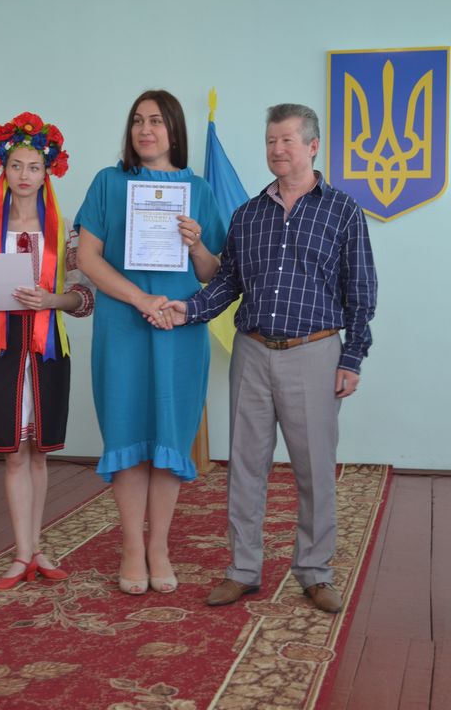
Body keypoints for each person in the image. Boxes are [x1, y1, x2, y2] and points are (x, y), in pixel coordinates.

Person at [156, 103, 378, 612]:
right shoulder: (248, 214)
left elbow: (361, 292)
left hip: (315, 352)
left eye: (287, 140)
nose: (277, 150)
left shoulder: (343, 210)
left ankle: (315, 572)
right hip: (252, 352)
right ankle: (242, 570)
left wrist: (353, 358)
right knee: (245, 467)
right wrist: (188, 310)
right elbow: (227, 283)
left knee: (314, 470)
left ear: (313, 146)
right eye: (271, 141)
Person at [75, 90, 226, 596]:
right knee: (126, 432)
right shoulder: (108, 181)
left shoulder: (198, 189)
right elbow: (88, 259)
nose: (145, 130)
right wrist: (141, 299)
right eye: (138, 120)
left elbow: (212, 273)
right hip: (124, 326)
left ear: (174, 130)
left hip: (178, 328)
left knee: (169, 438)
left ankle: (158, 547)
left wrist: (196, 243)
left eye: (156, 121)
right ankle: (130, 547)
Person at [0, 112, 94, 591]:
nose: (24, 175)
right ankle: (22, 554)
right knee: (14, 456)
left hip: (48, 351)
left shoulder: (65, 233)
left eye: (34, 167)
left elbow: (84, 299)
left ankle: (38, 548)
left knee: (39, 454)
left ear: (47, 173)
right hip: (2, 350)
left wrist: (51, 300)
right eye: (16, 165)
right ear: (3, 169)